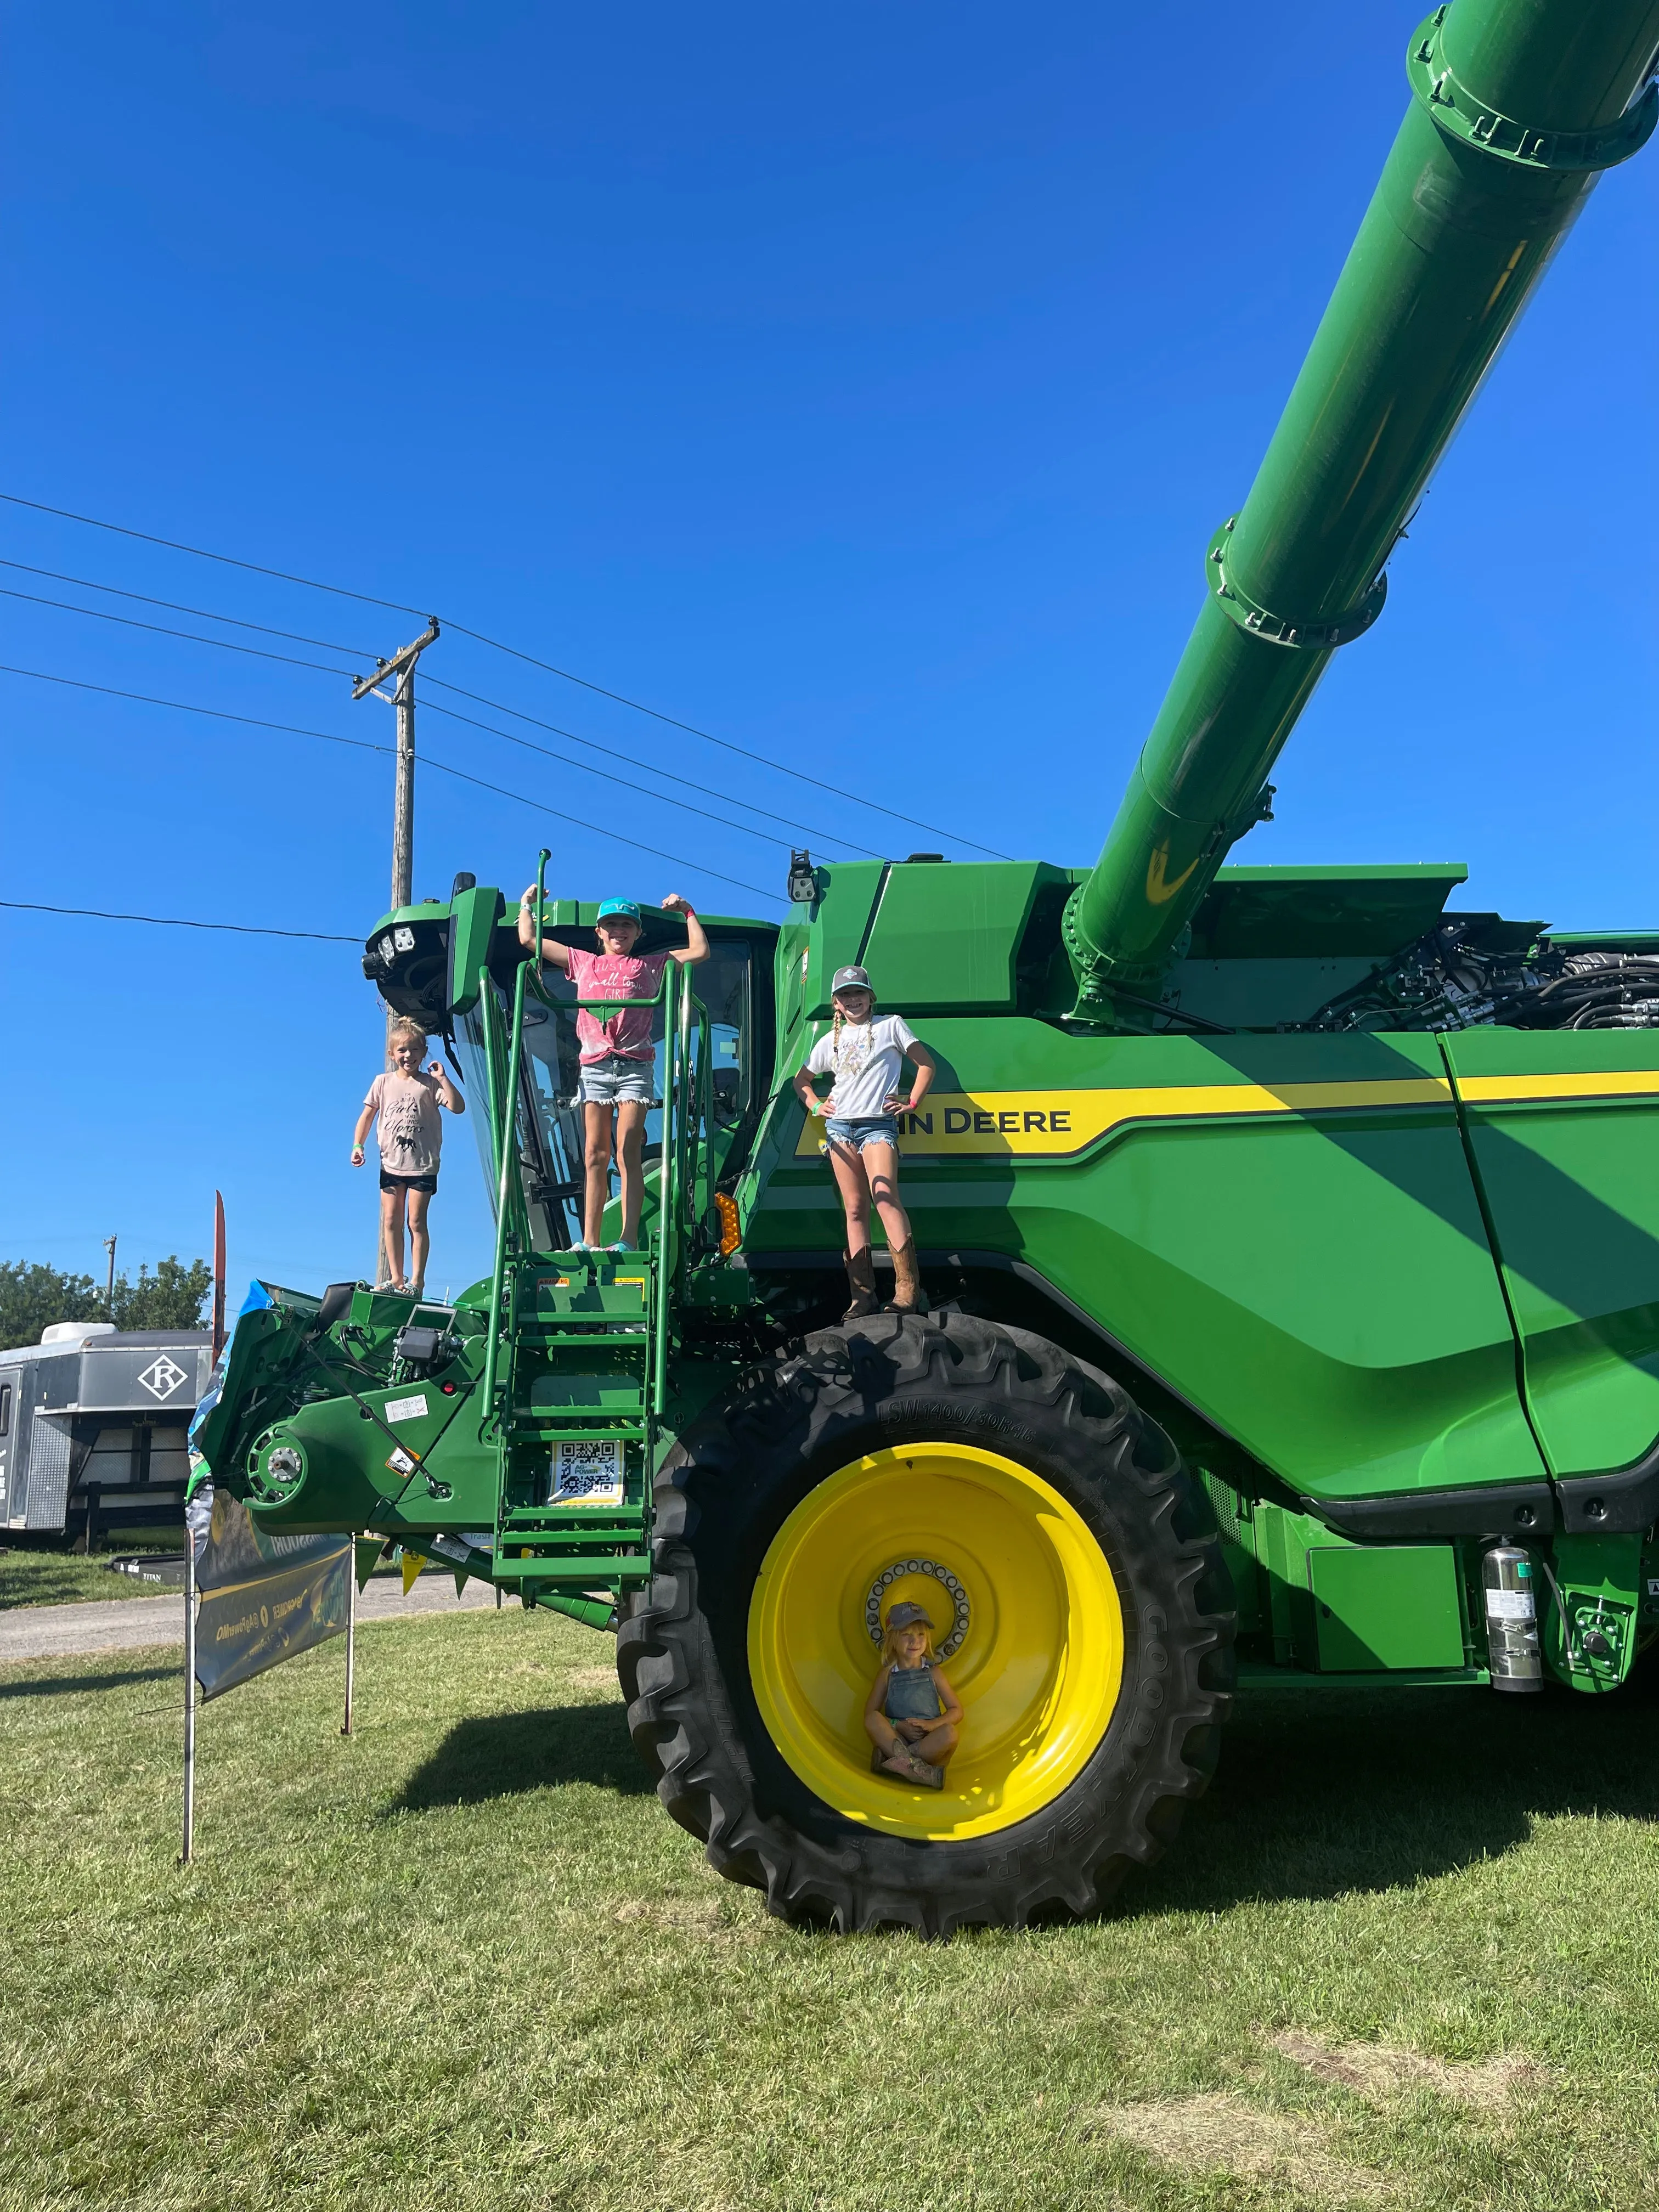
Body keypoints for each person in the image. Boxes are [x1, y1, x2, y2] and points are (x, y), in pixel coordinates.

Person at [518, 889, 710, 1250]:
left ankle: (627, 1238)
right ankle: (589, 1240)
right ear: (599, 932)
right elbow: (529, 939)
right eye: (611, 924)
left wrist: (687, 911)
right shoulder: (582, 963)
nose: (618, 930)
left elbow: (700, 951)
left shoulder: (651, 966)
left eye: (626, 925)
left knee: (627, 1151)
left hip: (636, 1066)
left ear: (638, 933)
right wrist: (527, 904)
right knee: (595, 1152)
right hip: (595, 1066)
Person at [791, 963, 936, 1318]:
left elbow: (926, 1065)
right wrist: (815, 1104)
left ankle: (907, 1290)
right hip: (839, 1128)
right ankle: (862, 1296)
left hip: (878, 1126)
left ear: (871, 997)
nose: (852, 999)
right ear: (836, 1004)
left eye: (858, 993)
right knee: (854, 1209)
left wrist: (912, 1101)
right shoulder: (830, 1041)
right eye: (845, 995)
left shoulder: (891, 1026)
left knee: (885, 1199)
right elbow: (802, 1080)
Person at [352, 1018, 466, 1295]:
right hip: (391, 1163)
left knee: (415, 1221)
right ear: (392, 1054)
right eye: (402, 1050)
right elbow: (367, 1116)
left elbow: (458, 1107)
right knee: (391, 1220)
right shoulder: (383, 1082)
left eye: (414, 1050)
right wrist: (358, 1146)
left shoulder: (429, 1084)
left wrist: (443, 1078)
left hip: (423, 1165)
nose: (408, 1056)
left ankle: (417, 1280)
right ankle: (396, 1278)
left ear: (424, 1053)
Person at [863, 1600, 963, 1790]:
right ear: (893, 1638)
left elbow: (957, 1711)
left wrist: (933, 1725)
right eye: (906, 1634)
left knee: (950, 1733)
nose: (915, 1641)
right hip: (896, 1739)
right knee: (872, 1720)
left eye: (921, 1634)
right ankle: (919, 1772)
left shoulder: (933, 1672)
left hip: (928, 1744)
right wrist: (898, 1725)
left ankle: (899, 1765)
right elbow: (870, 1713)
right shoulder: (887, 1674)